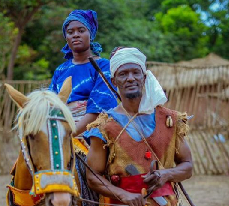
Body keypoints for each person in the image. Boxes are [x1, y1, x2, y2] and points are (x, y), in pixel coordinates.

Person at [85, 47, 193, 206]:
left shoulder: (170, 120)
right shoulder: (104, 126)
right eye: (123, 74)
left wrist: (166, 174)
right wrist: (123, 195)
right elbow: (93, 176)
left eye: (136, 72)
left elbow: (188, 166)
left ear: (144, 77)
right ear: (114, 81)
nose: (130, 78)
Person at [48, 9, 117, 205]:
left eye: (81, 30)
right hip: (60, 127)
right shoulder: (61, 70)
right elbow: (52, 105)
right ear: (66, 37)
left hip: (91, 131)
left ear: (91, 34)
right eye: (70, 32)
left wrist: (67, 136)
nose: (75, 34)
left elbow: (97, 110)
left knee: (85, 169)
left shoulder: (103, 66)